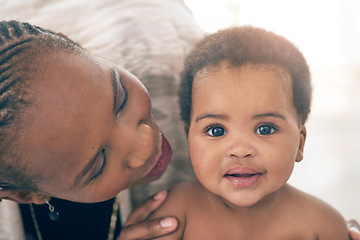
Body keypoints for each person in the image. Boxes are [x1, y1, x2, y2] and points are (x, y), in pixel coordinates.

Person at [148, 26, 355, 239]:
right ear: (188, 139)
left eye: (265, 129)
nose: (240, 150)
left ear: (300, 144)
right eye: (216, 130)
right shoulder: (172, 215)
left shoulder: (322, 225)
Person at [0, 20, 178, 239]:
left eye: (121, 99)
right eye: (99, 164)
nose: (146, 143)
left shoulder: (172, 64)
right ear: (24, 194)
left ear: (73, 42)